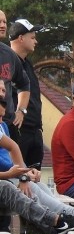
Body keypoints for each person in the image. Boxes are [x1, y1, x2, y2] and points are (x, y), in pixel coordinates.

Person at [0, 85, 74, 234]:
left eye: (4, 91)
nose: (2, 95)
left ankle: (67, 219)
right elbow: (12, 151)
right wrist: (19, 176)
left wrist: (25, 172)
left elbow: (13, 149)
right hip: (6, 179)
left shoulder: (3, 126)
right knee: (26, 187)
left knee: (39, 185)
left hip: (10, 174)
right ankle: (63, 219)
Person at [6, 19, 41, 164]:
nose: (36, 41)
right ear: (21, 38)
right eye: (32, 37)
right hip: (17, 131)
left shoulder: (27, 64)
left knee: (35, 180)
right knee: (19, 180)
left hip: (35, 131)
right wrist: (20, 111)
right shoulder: (7, 62)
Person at [0, 17, 31, 146]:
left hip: (7, 125)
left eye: (5, 22)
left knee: (14, 165)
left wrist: (21, 110)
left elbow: (24, 83)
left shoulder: (9, 54)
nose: (3, 25)